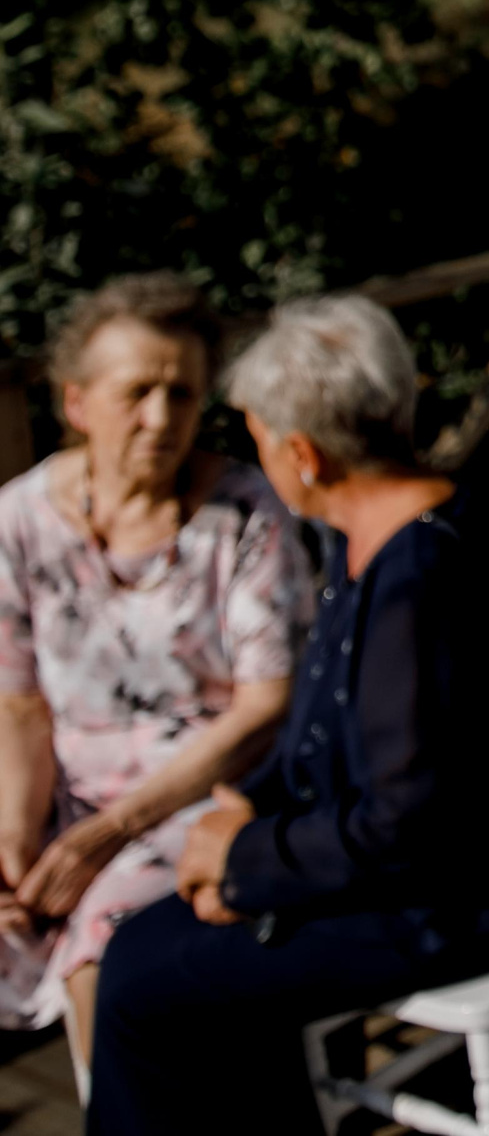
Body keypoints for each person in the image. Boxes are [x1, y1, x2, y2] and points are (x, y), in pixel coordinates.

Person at [86, 295, 489, 1136]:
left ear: (303, 454)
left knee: (140, 983)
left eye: (258, 437)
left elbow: (409, 826)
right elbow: (326, 724)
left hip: (469, 892)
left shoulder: (422, 582)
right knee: (158, 951)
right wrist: (247, 806)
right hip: (395, 860)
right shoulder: (370, 537)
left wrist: (245, 861)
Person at [0, 274, 305, 1081]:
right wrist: (14, 847)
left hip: (202, 794)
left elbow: (265, 705)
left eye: (182, 393)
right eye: (137, 391)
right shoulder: (18, 519)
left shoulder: (245, 512)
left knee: (107, 943)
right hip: (66, 795)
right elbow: (19, 705)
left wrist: (108, 832)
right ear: (77, 401)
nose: (162, 417)